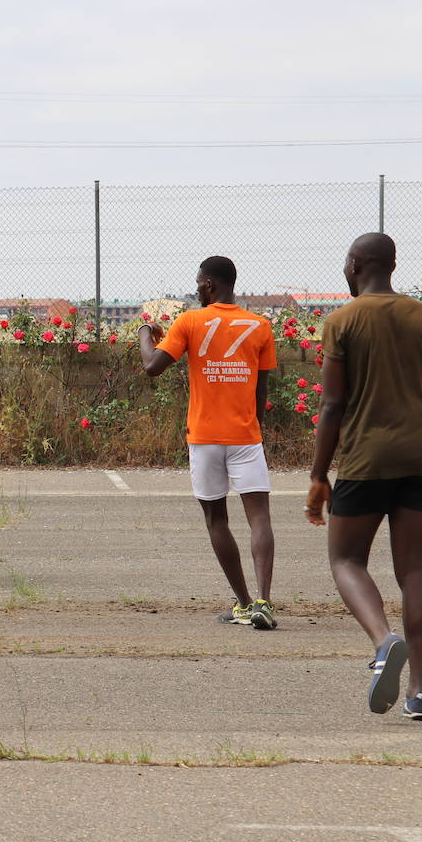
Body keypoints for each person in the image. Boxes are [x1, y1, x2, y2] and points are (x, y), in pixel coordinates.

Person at [305, 232, 422, 719]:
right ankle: (421, 691)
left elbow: (332, 404)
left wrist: (318, 475)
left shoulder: (342, 320)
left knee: (346, 559)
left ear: (354, 264)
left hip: (365, 459)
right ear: (392, 265)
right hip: (420, 458)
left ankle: (383, 642)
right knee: (416, 570)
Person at [139, 256, 278, 628]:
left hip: (204, 437)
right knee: (259, 517)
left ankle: (244, 603)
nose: (197, 288)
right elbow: (260, 391)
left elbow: (152, 367)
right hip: (246, 436)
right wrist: (254, 432)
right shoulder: (260, 325)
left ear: (210, 284)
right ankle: (264, 601)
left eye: (199, 282)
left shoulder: (190, 321)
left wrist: (144, 335)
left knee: (216, 518)